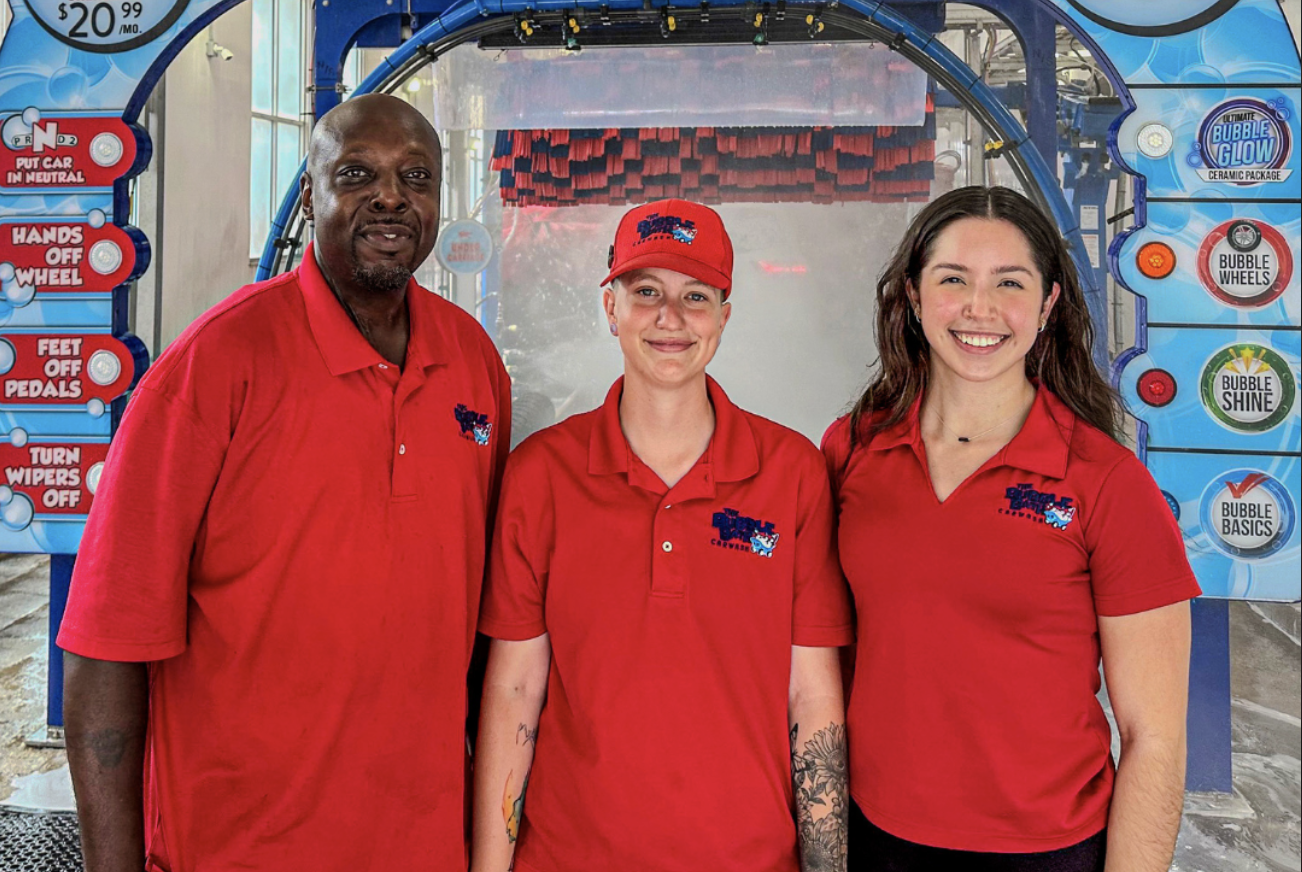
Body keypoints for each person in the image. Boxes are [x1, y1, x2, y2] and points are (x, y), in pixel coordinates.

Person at [57, 93, 511, 872]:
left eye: (416, 176)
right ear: (310, 196)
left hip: (421, 842)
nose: (392, 197)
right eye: (358, 173)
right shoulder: (216, 364)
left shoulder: (472, 361)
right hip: (238, 844)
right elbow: (106, 646)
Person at [822, 186, 1199, 871]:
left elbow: (1156, 739)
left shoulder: (1104, 483)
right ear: (912, 294)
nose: (980, 308)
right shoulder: (851, 453)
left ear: (1049, 303)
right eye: (953, 279)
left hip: (1046, 851)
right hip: (875, 835)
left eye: (1010, 283)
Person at [472, 199, 854, 872]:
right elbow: (514, 691)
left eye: (695, 295)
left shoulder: (792, 473)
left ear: (725, 316)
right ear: (610, 306)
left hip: (749, 858)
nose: (670, 318)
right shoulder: (541, 475)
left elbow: (813, 695)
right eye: (645, 291)